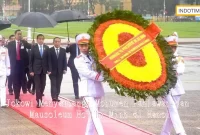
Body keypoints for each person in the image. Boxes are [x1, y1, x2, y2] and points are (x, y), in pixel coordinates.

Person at [74, 33, 105, 135]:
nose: (83, 48)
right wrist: (101, 77)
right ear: (78, 46)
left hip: (97, 89)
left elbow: (101, 67)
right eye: (81, 45)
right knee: (94, 113)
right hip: (87, 90)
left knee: (93, 115)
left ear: (89, 45)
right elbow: (87, 73)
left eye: (85, 45)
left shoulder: (94, 57)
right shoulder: (78, 59)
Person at [161, 34, 186, 135]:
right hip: (164, 89)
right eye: (171, 46)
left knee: (172, 113)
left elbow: (181, 70)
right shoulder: (161, 57)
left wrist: (172, 70)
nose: (173, 48)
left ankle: (164, 133)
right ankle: (181, 132)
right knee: (172, 110)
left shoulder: (179, 58)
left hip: (176, 89)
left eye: (174, 46)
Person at [7, 30, 31, 104]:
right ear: (15, 35)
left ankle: (19, 94)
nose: (20, 35)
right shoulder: (10, 44)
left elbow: (30, 47)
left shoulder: (23, 43)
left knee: (21, 80)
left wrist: (30, 43)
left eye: (21, 34)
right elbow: (8, 54)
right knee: (15, 81)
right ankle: (16, 97)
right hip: (14, 65)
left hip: (22, 65)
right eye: (18, 34)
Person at [29, 34, 49, 108]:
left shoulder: (46, 48)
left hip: (44, 70)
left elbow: (48, 59)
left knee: (43, 85)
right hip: (36, 70)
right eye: (39, 39)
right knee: (37, 86)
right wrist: (31, 70)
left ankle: (40, 98)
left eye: (42, 39)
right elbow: (30, 60)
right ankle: (39, 101)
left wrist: (49, 69)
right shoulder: (33, 48)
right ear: (37, 40)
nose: (41, 40)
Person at [48, 37, 67, 102]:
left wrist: (65, 68)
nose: (57, 43)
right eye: (55, 41)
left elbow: (64, 60)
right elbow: (49, 61)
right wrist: (49, 70)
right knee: (53, 84)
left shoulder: (63, 50)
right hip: (52, 71)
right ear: (53, 42)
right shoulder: (50, 50)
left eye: (58, 41)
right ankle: (53, 97)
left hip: (60, 71)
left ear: (60, 42)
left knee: (58, 84)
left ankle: (57, 96)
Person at [66, 34, 80, 99]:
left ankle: (84, 93)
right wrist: (68, 46)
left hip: (82, 66)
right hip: (73, 65)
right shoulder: (72, 46)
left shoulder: (84, 46)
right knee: (75, 80)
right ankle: (76, 94)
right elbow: (67, 51)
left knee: (83, 80)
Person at [0, 35, 10, 107]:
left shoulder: (5, 49)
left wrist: (8, 70)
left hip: (3, 70)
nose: (1, 42)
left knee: (3, 86)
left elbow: (7, 60)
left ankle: (3, 102)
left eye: (1, 40)